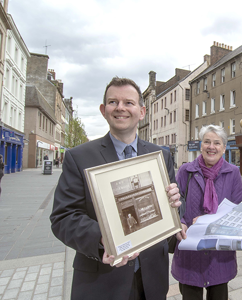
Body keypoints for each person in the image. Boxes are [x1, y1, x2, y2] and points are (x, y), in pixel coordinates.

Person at [50, 77, 182, 300]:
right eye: (113, 102)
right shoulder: (79, 157)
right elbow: (63, 217)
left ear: (142, 112)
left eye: (128, 103)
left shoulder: (160, 156)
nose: (120, 108)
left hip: (152, 279)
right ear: (104, 110)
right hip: (102, 281)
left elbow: (173, 209)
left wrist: (177, 206)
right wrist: (104, 239)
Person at [172, 125, 242, 300]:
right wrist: (179, 222)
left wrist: (208, 221)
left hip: (220, 253)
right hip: (190, 250)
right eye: (207, 142)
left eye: (217, 143)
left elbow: (238, 211)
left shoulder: (233, 173)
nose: (211, 147)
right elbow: (174, 204)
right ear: (200, 145)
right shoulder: (185, 171)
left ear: (224, 147)